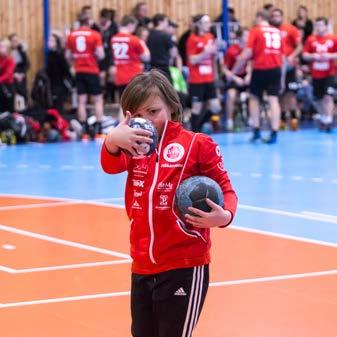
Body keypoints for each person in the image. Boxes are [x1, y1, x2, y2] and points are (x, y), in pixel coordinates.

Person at [100, 69, 238, 337]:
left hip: (184, 264)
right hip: (141, 264)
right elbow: (109, 166)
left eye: (153, 111)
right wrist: (112, 140)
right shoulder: (134, 146)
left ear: (172, 109)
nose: (146, 121)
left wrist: (225, 216)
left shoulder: (198, 144)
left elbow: (227, 190)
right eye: (137, 114)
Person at [232, 10, 284, 144]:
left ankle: (256, 130)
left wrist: (235, 69)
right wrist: (282, 76)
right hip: (276, 69)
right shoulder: (277, 31)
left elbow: (248, 52)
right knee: (273, 99)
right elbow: (282, 56)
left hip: (261, 68)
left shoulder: (256, 30)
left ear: (259, 18)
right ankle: (274, 132)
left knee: (254, 98)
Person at [66, 13, 105, 137]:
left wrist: (75, 62)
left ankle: (83, 130)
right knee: (97, 100)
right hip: (92, 70)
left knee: (81, 101)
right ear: (89, 22)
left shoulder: (71, 35)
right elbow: (101, 54)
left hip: (79, 71)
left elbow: (67, 55)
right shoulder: (95, 35)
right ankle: (98, 128)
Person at [186, 14, 222, 132]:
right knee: (196, 108)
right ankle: (194, 132)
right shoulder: (192, 39)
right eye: (206, 22)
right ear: (199, 24)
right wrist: (205, 53)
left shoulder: (210, 36)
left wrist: (215, 54)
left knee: (216, 107)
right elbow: (192, 60)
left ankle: (199, 126)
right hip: (197, 80)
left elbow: (213, 58)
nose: (209, 25)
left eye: (209, 22)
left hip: (209, 79)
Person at [270, 8, 302, 131]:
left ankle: (294, 118)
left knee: (291, 93)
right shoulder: (269, 30)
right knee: (279, 93)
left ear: (282, 17)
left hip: (289, 66)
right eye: (274, 16)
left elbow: (299, 46)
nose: (276, 18)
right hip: (275, 67)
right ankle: (282, 119)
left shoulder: (290, 29)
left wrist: (291, 57)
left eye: (278, 15)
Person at [302, 17, 337, 132]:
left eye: (321, 25)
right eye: (317, 25)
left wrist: (329, 56)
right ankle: (323, 117)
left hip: (329, 73)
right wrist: (313, 56)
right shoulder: (311, 39)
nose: (319, 28)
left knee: (328, 96)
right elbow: (304, 55)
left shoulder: (333, 38)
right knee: (317, 99)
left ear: (326, 26)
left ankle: (328, 120)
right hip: (316, 74)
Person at [111, 15, 150, 98]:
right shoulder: (134, 39)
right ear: (130, 25)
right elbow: (146, 57)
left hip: (120, 76)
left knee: (122, 104)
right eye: (134, 27)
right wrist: (142, 43)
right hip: (133, 75)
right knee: (135, 105)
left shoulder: (113, 39)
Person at [222, 27, 251, 131]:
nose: (248, 38)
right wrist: (235, 78)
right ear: (239, 37)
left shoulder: (249, 50)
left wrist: (249, 75)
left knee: (254, 94)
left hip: (245, 77)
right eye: (245, 35)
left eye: (249, 35)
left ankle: (251, 118)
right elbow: (224, 69)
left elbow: (251, 64)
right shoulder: (232, 51)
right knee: (231, 95)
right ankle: (229, 121)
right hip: (233, 77)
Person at [47, 33, 73, 114]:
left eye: (51, 40)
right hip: (53, 83)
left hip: (60, 84)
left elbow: (66, 70)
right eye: (49, 40)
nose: (49, 42)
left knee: (58, 105)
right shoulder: (50, 55)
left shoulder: (60, 55)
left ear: (56, 42)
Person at [147, 13, 178, 81]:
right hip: (164, 68)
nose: (167, 24)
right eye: (166, 21)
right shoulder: (166, 36)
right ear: (160, 22)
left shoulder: (149, 35)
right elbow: (174, 53)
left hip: (151, 69)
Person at [8, 33, 30, 109]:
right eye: (13, 41)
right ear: (10, 42)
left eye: (17, 41)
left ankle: (25, 106)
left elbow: (27, 64)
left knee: (23, 92)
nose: (15, 43)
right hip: (12, 75)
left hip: (21, 74)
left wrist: (22, 74)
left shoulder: (21, 50)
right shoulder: (8, 52)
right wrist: (14, 74)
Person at [0, 39, 16, 113]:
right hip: (1, 86)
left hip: (7, 87)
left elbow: (8, 74)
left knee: (8, 110)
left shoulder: (10, 60)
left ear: (7, 49)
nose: (0, 48)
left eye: (2, 47)